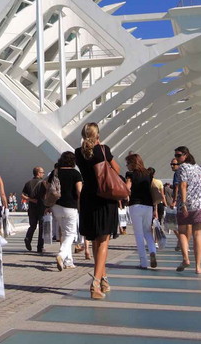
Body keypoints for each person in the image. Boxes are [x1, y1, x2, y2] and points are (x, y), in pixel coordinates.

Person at [74, 122, 120, 300]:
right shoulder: (103, 150)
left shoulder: (79, 152)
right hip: (104, 196)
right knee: (104, 240)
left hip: (88, 197)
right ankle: (95, 283)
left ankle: (103, 279)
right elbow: (116, 169)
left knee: (94, 239)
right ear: (97, 134)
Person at [174, 146, 201, 274]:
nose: (177, 158)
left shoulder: (182, 168)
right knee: (197, 235)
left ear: (186, 155)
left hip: (186, 205)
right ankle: (198, 267)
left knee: (182, 232)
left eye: (178, 156)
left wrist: (183, 203)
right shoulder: (198, 168)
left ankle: (186, 259)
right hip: (200, 204)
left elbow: (183, 185)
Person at [124, 153, 157, 270]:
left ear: (133, 163)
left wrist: (126, 194)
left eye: (128, 163)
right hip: (148, 206)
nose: (127, 166)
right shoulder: (149, 174)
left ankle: (143, 262)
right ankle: (153, 251)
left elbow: (127, 188)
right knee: (147, 231)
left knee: (138, 234)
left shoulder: (130, 175)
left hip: (135, 205)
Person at [51, 151, 82, 271]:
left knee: (64, 233)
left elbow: (48, 187)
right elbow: (79, 191)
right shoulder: (75, 174)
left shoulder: (55, 172)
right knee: (71, 234)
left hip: (56, 206)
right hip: (70, 206)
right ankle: (61, 255)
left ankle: (69, 262)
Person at [21, 166, 47, 253]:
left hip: (32, 208)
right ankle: (40, 247)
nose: (43, 174)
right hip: (42, 207)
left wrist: (31, 200)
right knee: (42, 228)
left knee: (32, 226)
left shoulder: (28, 183)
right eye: (42, 172)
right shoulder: (43, 183)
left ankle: (28, 238)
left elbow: (23, 195)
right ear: (38, 173)